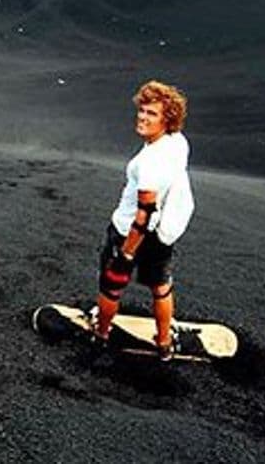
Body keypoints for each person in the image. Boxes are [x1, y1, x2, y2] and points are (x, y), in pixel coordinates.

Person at [89, 80, 195, 361]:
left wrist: (126, 253)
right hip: (164, 233)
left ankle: (100, 335)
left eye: (152, 114)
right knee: (161, 286)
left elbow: (144, 213)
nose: (143, 117)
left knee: (111, 285)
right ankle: (163, 344)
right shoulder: (178, 142)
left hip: (130, 233)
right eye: (142, 110)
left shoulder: (148, 163)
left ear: (167, 119)